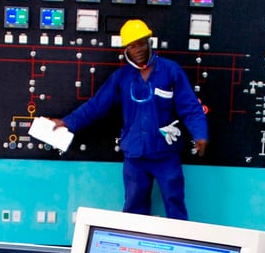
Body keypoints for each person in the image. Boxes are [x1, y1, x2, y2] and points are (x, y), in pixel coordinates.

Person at [49, 19, 208, 219]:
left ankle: (178, 248)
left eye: (141, 43)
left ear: (149, 42)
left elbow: (190, 107)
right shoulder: (122, 77)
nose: (138, 49)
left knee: (175, 204)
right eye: (132, 45)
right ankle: (133, 248)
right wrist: (67, 122)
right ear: (126, 50)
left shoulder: (170, 71)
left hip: (166, 154)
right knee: (134, 208)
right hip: (135, 156)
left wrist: (200, 133)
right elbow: (97, 105)